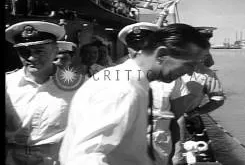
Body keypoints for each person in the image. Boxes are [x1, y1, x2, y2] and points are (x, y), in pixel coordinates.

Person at [59, 23, 211, 165]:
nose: (191, 71)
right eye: (189, 64)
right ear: (162, 54)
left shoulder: (126, 79)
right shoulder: (123, 90)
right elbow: (84, 157)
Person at [5, 21, 78, 165]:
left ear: (56, 50)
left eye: (39, 51)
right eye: (24, 52)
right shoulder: (8, 84)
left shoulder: (80, 86)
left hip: (58, 159)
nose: (31, 58)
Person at [118, 22, 191, 165]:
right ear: (128, 49)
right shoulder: (114, 77)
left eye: (145, 45)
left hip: (161, 147)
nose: (139, 50)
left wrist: (178, 152)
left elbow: (178, 118)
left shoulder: (171, 76)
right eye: (135, 46)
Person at [170, 53, 225, 165]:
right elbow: (218, 100)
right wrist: (197, 112)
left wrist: (197, 112)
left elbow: (218, 100)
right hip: (181, 117)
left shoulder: (165, 68)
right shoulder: (207, 74)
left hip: (174, 118)